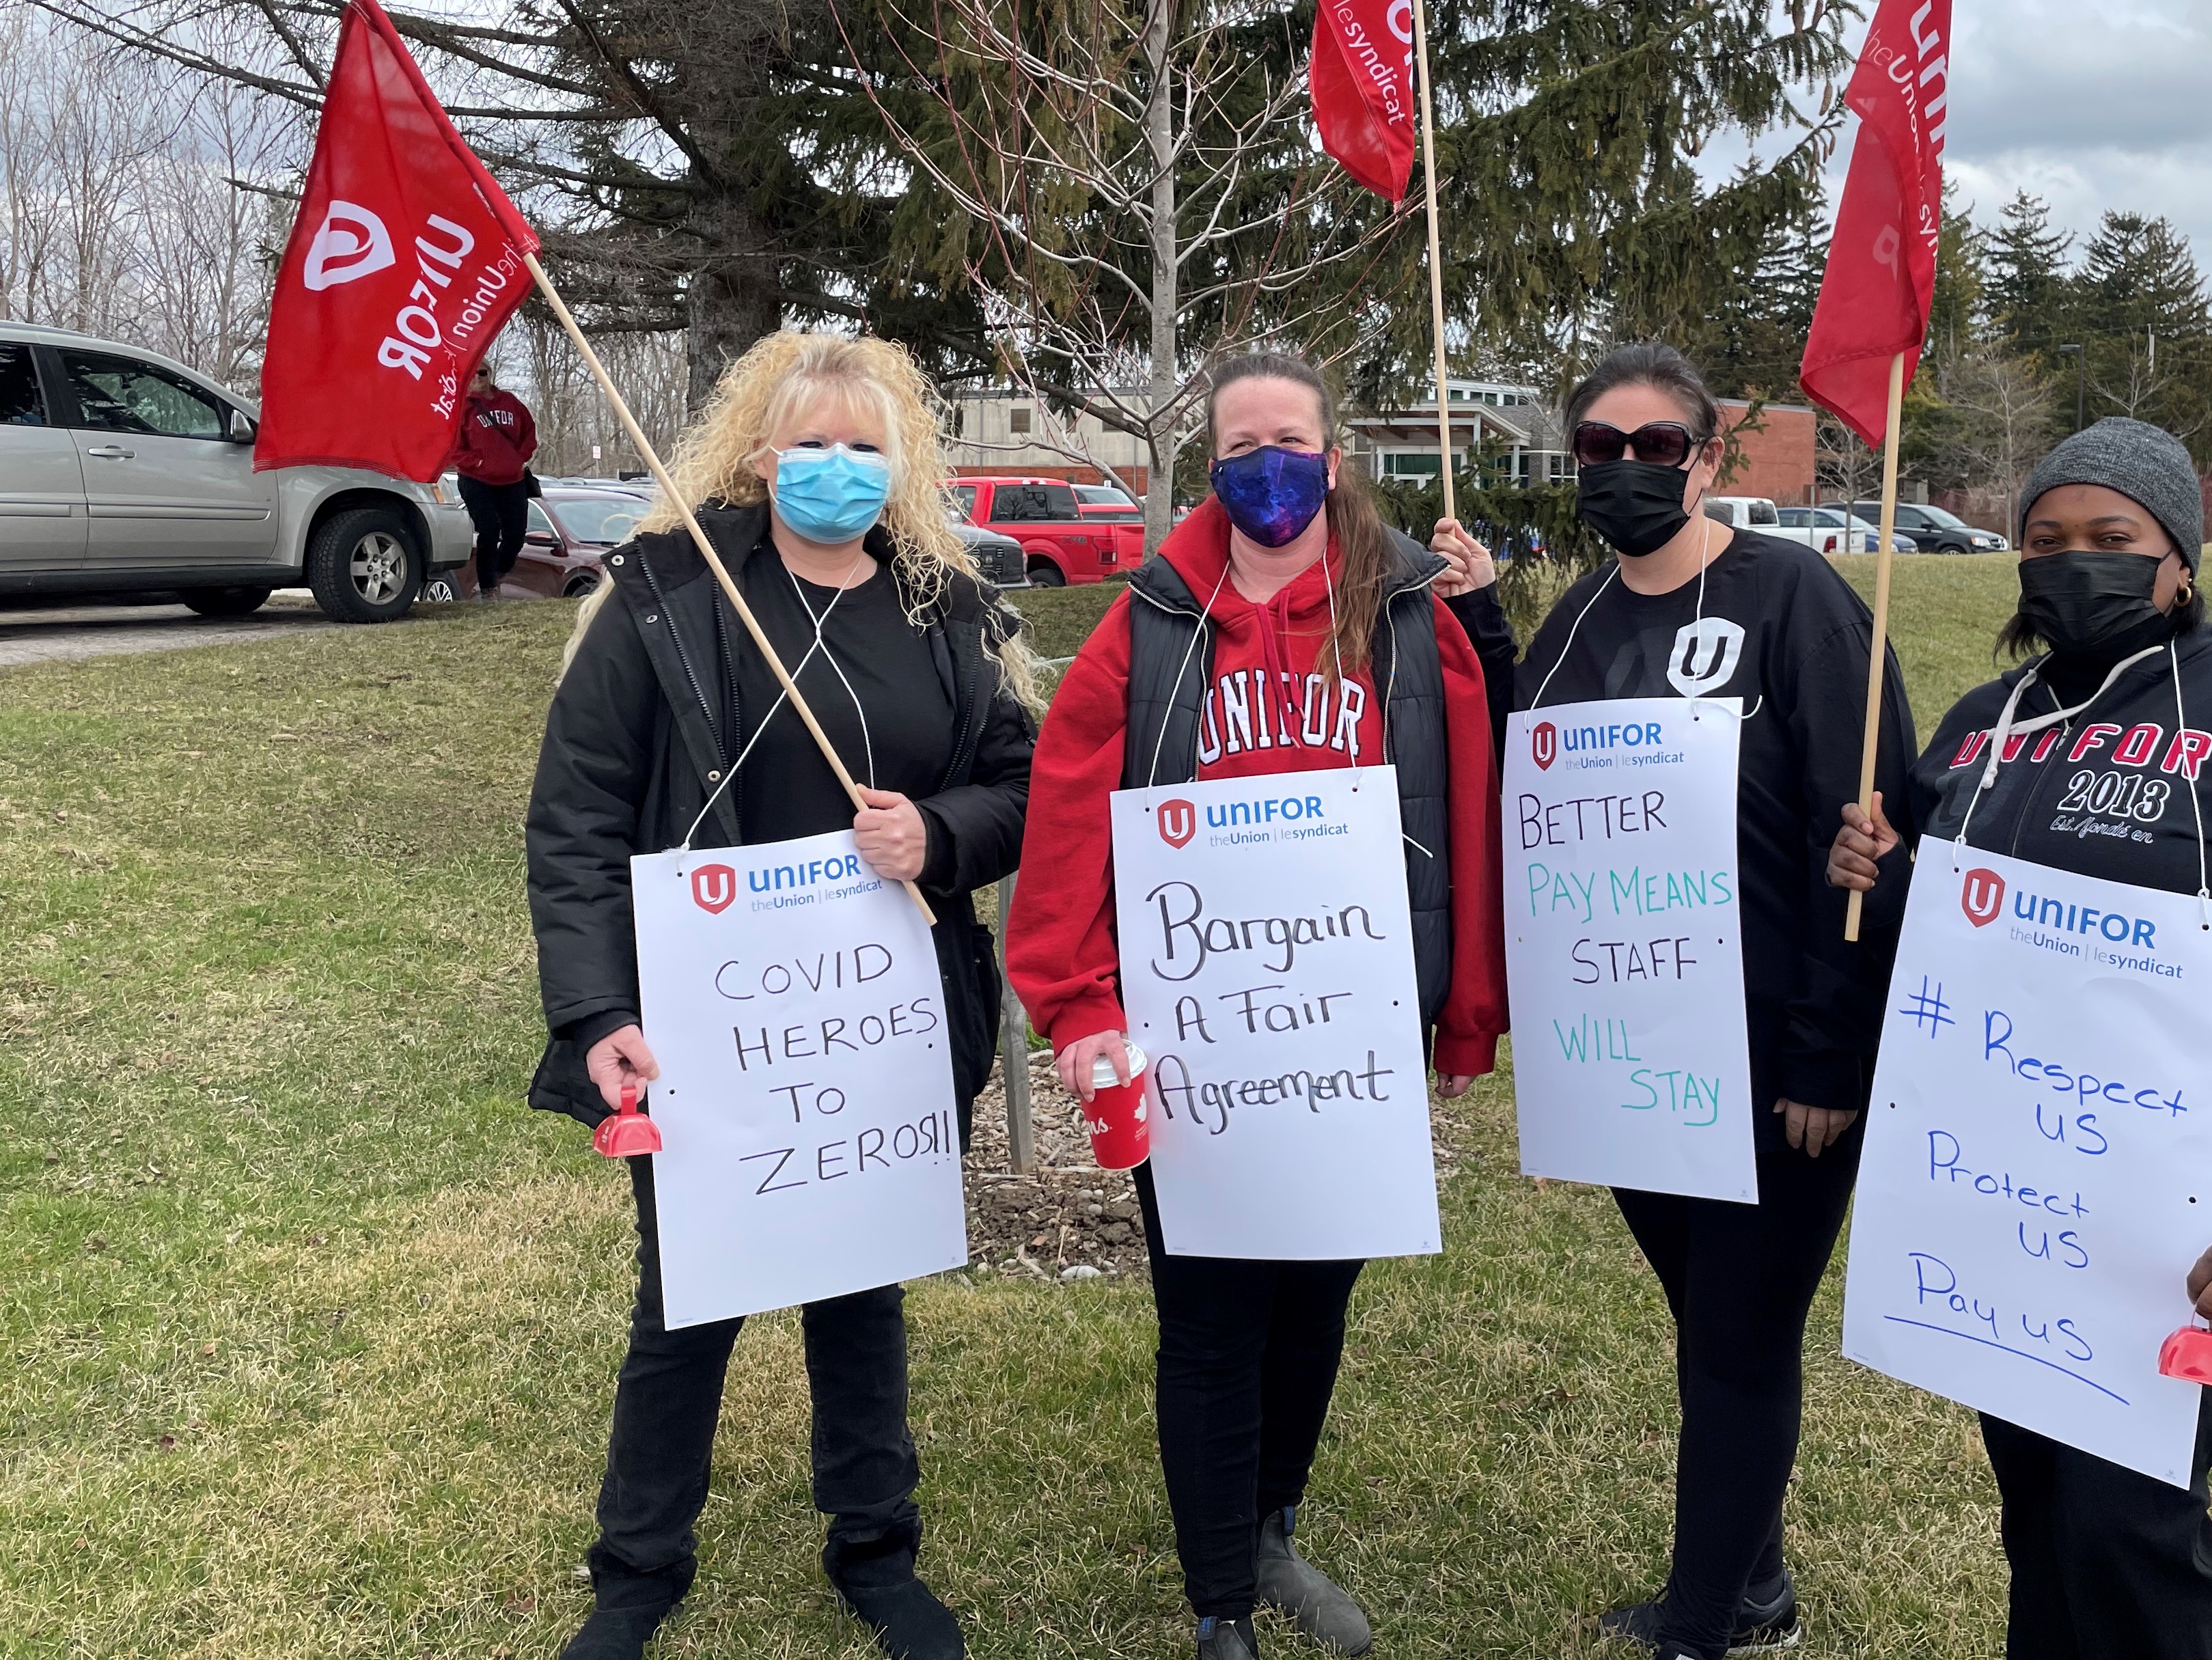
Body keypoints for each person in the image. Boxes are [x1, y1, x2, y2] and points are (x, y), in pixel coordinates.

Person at [1829, 415, 2212, 1660]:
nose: (2073, 560)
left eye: (2111, 537)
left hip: (2174, 1221)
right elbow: (1954, 931)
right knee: (2034, 1511)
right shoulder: (1983, 723)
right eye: (2046, 540)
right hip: (2008, 1199)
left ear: (2178, 557)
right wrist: (1890, 863)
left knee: (2128, 1527)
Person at [525, 333, 1041, 1660]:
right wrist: (596, 1012)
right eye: (808, 443)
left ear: (903, 461)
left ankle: (878, 1550)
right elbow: (576, 813)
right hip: (703, 1022)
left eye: (864, 445)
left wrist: (938, 832)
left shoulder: (947, 611)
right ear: (759, 453)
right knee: (684, 1303)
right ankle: (636, 1573)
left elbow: (1021, 789)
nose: (834, 468)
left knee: (860, 1294)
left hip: (877, 1023)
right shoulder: (668, 594)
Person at [1004, 351, 1509, 1660]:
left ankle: (1274, 1515)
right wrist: (1078, 1006)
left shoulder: (1404, 616)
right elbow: (1069, 815)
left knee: (1314, 1301)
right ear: (1212, 463)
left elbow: (1461, 806)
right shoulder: (1153, 620)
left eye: (1290, 439)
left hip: (1353, 1041)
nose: (1267, 463)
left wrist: (1463, 1009)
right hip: (1194, 1044)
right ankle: (1218, 1592)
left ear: (1331, 458)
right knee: (1213, 1311)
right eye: (1243, 444)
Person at [1504, 342, 1917, 1660]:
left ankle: (1698, 1624)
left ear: (1703, 456)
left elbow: (1870, 833)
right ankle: (1753, 1582)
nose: (1627, 468)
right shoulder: (1569, 623)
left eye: (1655, 446)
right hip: (1638, 1058)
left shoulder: (1794, 598)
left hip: (1782, 1065)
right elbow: (1543, 820)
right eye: (1600, 448)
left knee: (1737, 1341)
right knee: (1712, 1325)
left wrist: (1828, 1051)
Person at [456, 357, 541, 599]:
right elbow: (453, 447)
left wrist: (519, 458)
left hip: (512, 479)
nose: (477, 378)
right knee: (489, 531)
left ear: (490, 374)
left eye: (482, 373)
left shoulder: (510, 402)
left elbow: (529, 432)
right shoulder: (462, 407)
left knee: (516, 534)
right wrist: (477, 462)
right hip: (476, 480)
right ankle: (487, 588)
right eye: (472, 374)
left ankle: (499, 572)